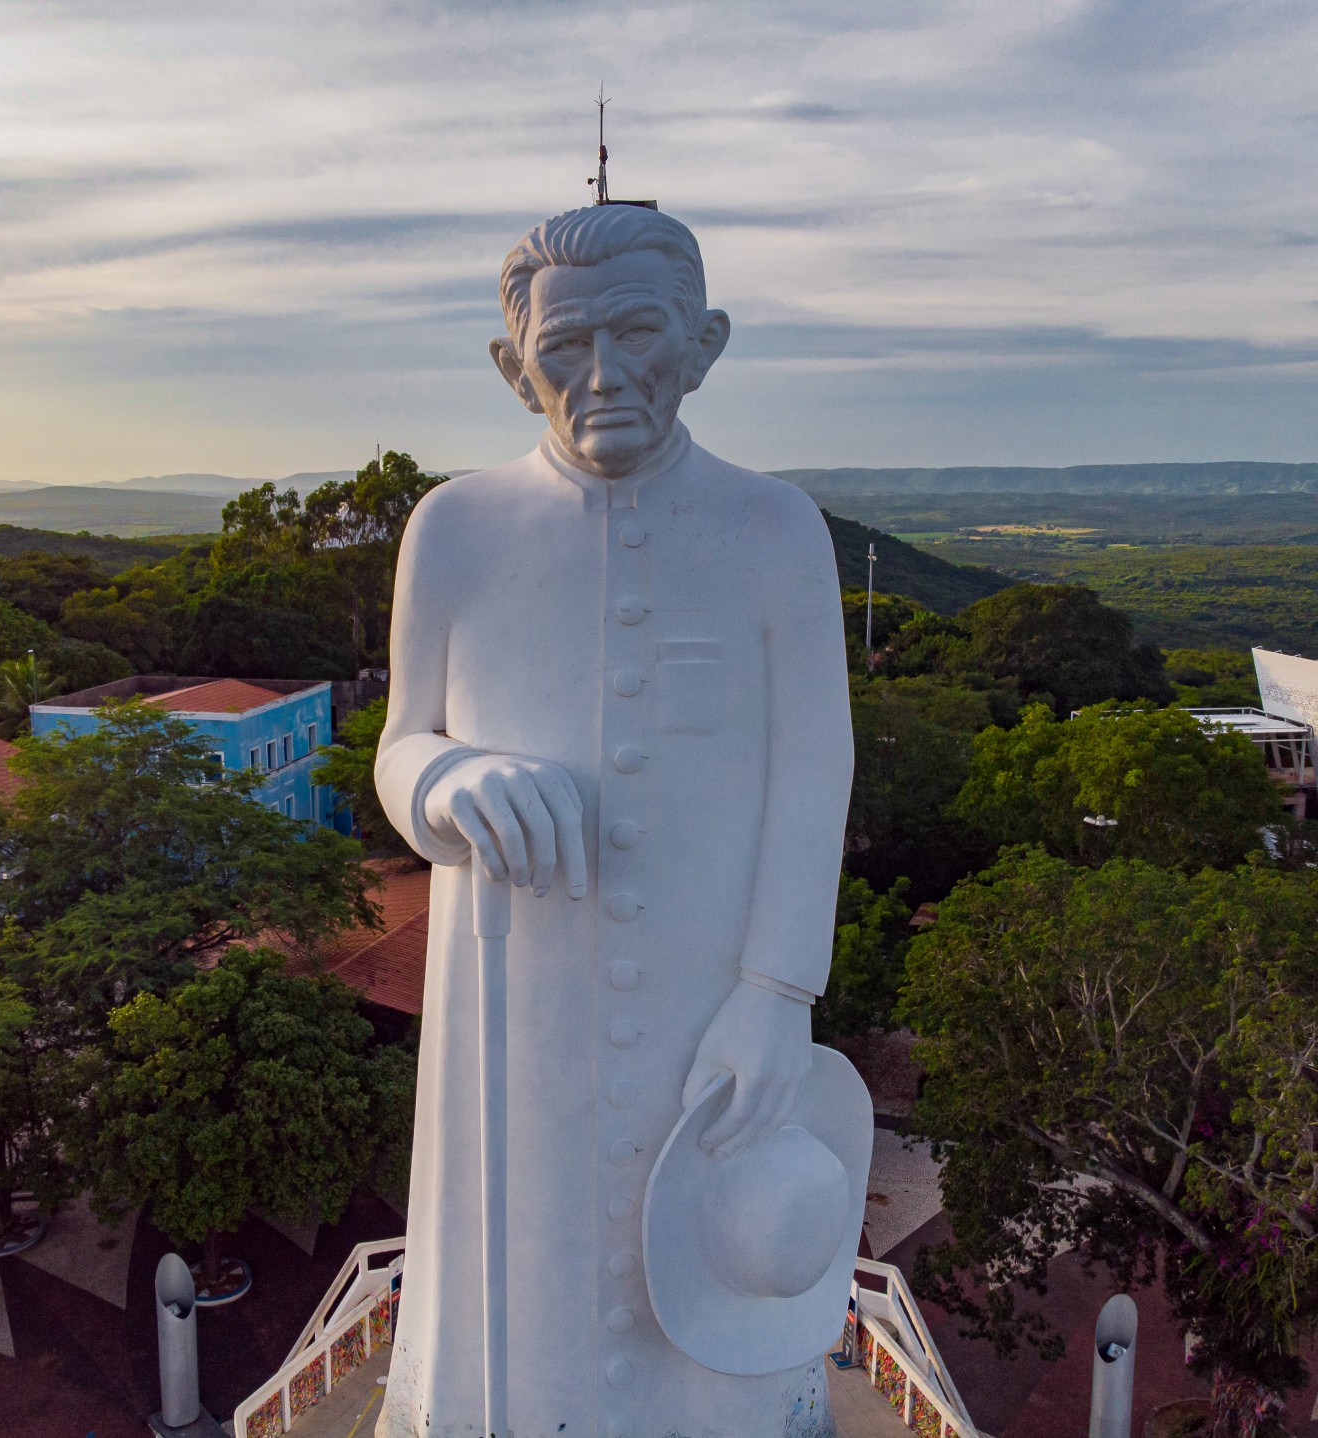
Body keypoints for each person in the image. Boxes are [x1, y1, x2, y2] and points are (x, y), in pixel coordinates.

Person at [375, 203, 854, 1438]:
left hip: (713, 1014)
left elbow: (816, 768)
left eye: (638, 332)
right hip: (516, 1008)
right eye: (563, 345)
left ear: (705, 343)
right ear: (509, 366)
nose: (601, 375)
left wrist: (776, 990)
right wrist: (443, 780)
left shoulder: (776, 529)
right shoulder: (454, 529)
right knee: (520, 1287)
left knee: (705, 1304)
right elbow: (398, 746)